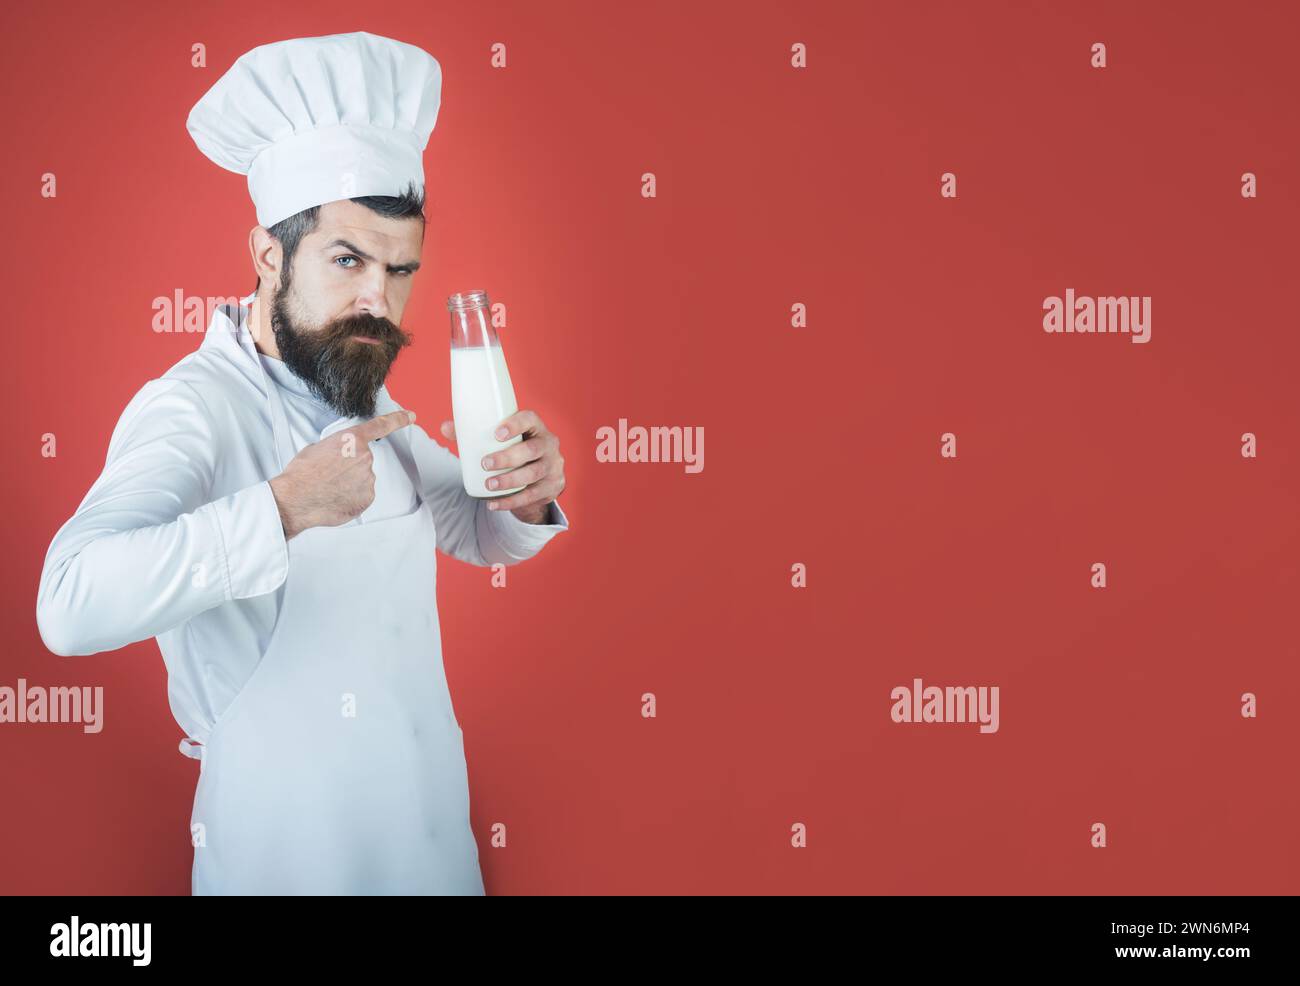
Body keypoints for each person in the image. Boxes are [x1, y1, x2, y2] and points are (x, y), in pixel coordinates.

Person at [34, 31, 570, 895]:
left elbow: (467, 527)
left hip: (430, 844)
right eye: (349, 260)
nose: (378, 300)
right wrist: (280, 508)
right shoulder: (194, 405)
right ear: (267, 256)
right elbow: (67, 605)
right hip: (281, 855)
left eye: (401, 271)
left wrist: (525, 497)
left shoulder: (356, 386)